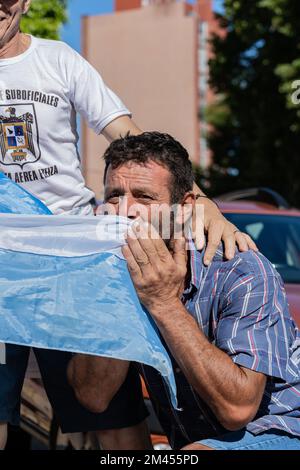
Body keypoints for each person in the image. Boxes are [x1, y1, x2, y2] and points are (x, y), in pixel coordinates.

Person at [0, 0, 255, 450]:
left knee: (110, 415)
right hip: (4, 262)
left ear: (22, 2)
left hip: (74, 258)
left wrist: (201, 200)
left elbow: (133, 141)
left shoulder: (56, 59)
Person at [71, 132, 300, 450]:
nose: (125, 211)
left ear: (183, 209)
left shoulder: (240, 270)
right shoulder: (112, 274)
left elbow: (238, 410)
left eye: (144, 197)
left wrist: (163, 302)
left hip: (279, 430)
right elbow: (93, 396)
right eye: (114, 196)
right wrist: (119, 292)